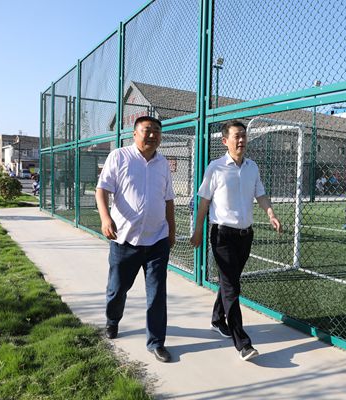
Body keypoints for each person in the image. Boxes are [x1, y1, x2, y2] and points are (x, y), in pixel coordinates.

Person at [190, 120, 282, 362]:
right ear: (225, 141)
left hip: (245, 236)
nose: (241, 140)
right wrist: (197, 230)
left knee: (229, 282)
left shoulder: (252, 167)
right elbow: (204, 201)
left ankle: (217, 319)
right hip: (222, 236)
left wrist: (271, 214)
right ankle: (242, 343)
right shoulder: (215, 167)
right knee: (232, 286)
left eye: (244, 136)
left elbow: (260, 194)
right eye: (236, 136)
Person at [95, 116, 176, 363]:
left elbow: (168, 200)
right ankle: (112, 320)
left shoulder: (163, 163)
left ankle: (156, 342)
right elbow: (102, 189)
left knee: (157, 294)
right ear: (134, 133)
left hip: (157, 240)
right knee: (117, 289)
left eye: (157, 131)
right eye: (147, 130)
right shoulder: (119, 157)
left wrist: (171, 230)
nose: (152, 135)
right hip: (124, 240)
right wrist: (106, 219)